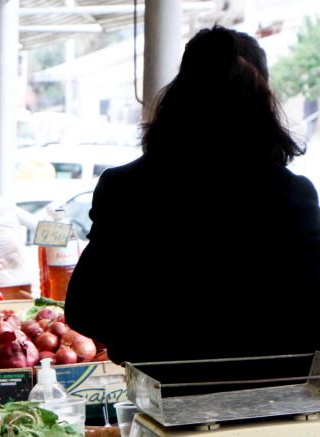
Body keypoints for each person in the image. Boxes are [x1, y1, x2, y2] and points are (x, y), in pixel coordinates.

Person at [65, 26, 320, 364]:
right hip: (271, 404)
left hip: (162, 398)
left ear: (178, 95)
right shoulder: (292, 195)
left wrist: (151, 340)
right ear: (264, 103)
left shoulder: (125, 187)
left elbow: (86, 310)